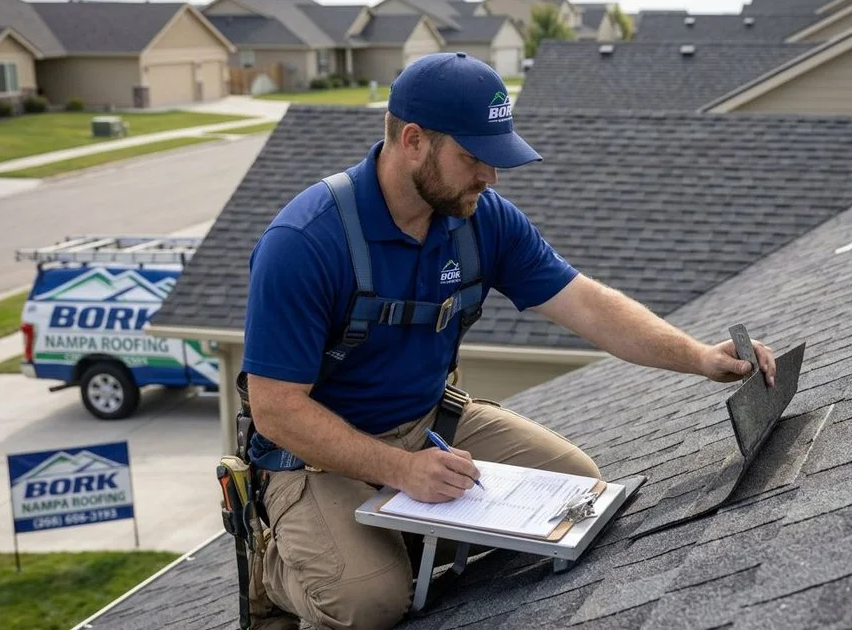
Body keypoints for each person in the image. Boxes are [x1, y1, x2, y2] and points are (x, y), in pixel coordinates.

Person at [239, 52, 778, 630]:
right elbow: (277, 410)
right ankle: (281, 565)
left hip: (429, 427)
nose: (491, 177)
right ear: (414, 141)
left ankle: (382, 543)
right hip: (316, 458)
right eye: (474, 157)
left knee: (577, 498)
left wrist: (698, 356)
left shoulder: (482, 219)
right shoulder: (306, 242)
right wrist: (400, 469)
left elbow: (589, 306)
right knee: (368, 602)